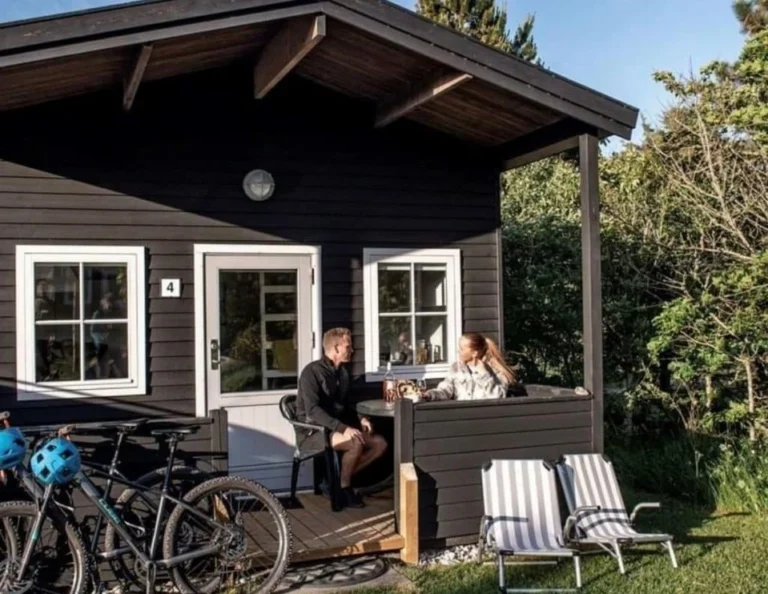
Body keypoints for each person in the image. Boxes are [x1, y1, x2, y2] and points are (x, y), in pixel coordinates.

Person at [296, 327, 388, 508]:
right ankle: (344, 488)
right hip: (312, 431)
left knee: (379, 443)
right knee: (355, 443)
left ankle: (336, 482)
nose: (352, 350)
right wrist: (344, 428)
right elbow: (312, 411)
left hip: (334, 429)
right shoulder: (311, 372)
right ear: (336, 348)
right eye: (348, 346)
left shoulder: (343, 373)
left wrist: (361, 418)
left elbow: (346, 404)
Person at [422, 332, 516, 401]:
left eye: (462, 349)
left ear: (474, 353)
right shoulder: (456, 368)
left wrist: (484, 374)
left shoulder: (496, 371)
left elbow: (498, 396)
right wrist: (430, 395)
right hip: (462, 417)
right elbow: (445, 391)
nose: (458, 351)